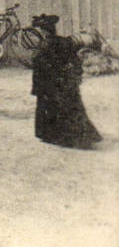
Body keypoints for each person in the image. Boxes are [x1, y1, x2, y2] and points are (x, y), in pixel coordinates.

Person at [30, 15, 103, 149]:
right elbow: (75, 61)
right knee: (72, 108)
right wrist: (76, 77)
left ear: (44, 31)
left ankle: (56, 136)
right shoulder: (65, 41)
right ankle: (81, 137)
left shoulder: (44, 46)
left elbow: (38, 66)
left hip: (51, 85)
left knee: (51, 109)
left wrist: (38, 88)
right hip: (67, 82)